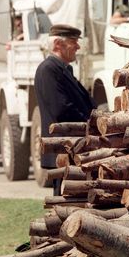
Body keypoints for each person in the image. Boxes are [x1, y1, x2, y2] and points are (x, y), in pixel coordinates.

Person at [34, 24, 96, 195]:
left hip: (71, 149)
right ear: (57, 45)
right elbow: (61, 109)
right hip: (63, 150)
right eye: (73, 42)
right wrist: (90, 124)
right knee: (65, 201)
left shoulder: (63, 69)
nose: (77, 46)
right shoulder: (48, 69)